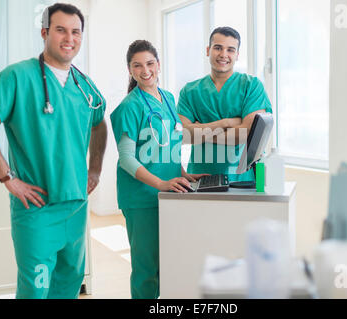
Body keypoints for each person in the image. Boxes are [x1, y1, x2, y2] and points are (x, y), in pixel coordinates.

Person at [0, 3, 107, 299]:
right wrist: (7, 177)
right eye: (60, 30)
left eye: (76, 32)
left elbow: (99, 124)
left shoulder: (85, 86)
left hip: (76, 207)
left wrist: (94, 169)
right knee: (35, 290)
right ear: (45, 32)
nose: (69, 38)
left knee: (68, 285)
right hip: (37, 209)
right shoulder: (17, 77)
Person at [110, 40, 207, 299]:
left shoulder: (167, 98)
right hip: (142, 198)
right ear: (130, 70)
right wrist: (161, 183)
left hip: (171, 192)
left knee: (168, 264)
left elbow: (168, 143)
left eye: (150, 63)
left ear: (159, 65)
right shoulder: (129, 107)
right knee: (146, 269)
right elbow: (127, 159)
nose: (145, 70)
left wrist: (183, 172)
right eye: (137, 65)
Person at [177, 26, 272, 182]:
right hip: (200, 177)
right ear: (208, 50)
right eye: (218, 48)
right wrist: (226, 123)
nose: (223, 55)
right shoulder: (190, 91)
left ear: (237, 55)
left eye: (230, 50)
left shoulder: (251, 86)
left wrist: (201, 133)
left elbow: (248, 133)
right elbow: (184, 135)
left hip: (241, 177)